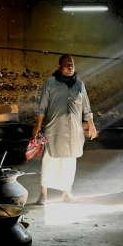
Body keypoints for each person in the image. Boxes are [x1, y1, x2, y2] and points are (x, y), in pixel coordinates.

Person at [32, 54, 98, 204]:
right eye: (67, 64)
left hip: (74, 131)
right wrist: (37, 127)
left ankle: (66, 193)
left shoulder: (79, 85)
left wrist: (91, 125)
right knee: (49, 161)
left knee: (69, 162)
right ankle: (43, 194)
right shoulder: (49, 84)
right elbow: (42, 108)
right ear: (59, 67)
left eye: (72, 65)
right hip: (53, 129)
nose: (70, 67)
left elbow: (86, 108)